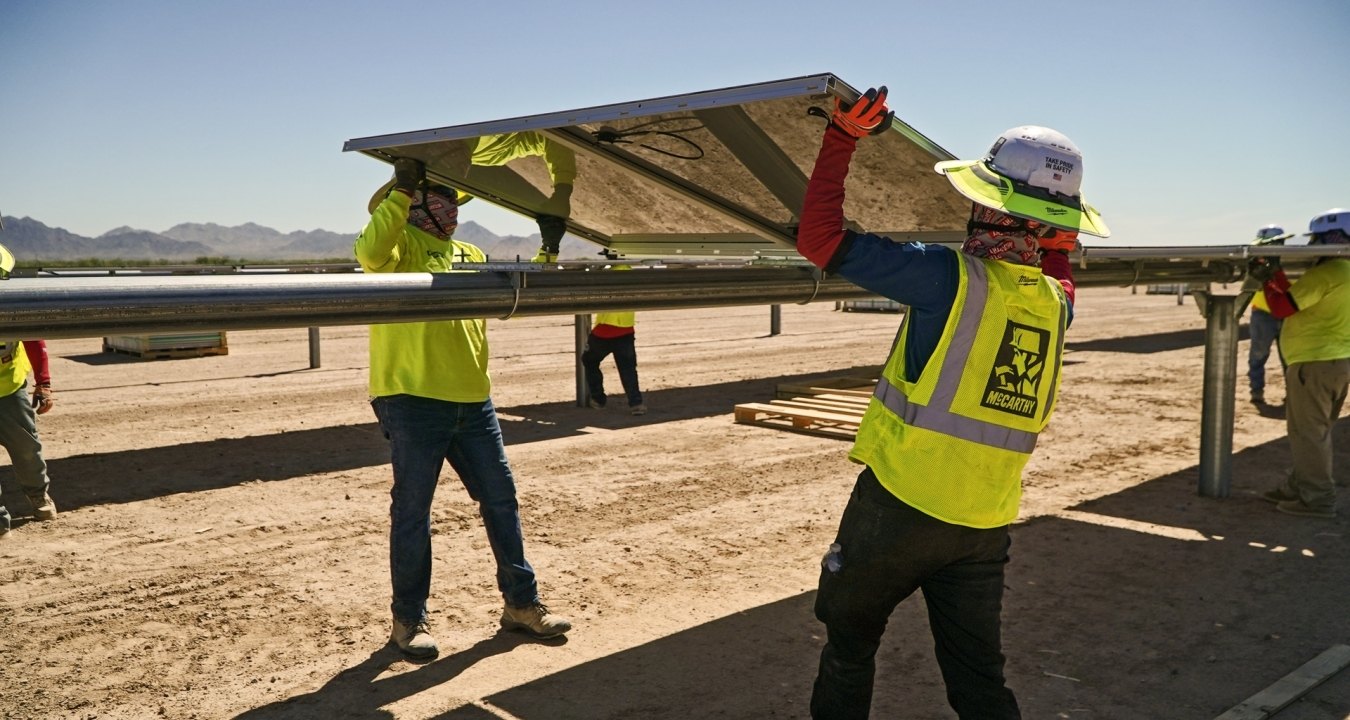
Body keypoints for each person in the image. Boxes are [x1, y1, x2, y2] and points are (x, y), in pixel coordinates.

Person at [796, 87, 1108, 719]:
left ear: (986, 204)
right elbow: (1057, 261)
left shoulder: (944, 278)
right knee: (978, 680)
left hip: (899, 508)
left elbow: (820, 238)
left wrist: (842, 138)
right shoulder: (1057, 305)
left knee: (850, 649)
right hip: (984, 522)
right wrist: (1049, 228)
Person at [355, 158, 572, 659]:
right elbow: (369, 251)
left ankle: (522, 605)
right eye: (438, 199)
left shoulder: (469, 252)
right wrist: (402, 188)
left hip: (474, 402)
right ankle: (408, 621)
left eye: (452, 201)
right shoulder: (397, 248)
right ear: (413, 207)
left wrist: (550, 246)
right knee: (413, 513)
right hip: (411, 398)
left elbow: (521, 291)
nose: (449, 208)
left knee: (501, 500)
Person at [1252, 208, 1350, 519]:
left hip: (1314, 364)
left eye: (1318, 240)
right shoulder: (1344, 273)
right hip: (1336, 363)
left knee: (1308, 433)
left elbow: (1281, 306)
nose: (1312, 247)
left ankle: (1318, 499)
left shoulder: (1327, 274)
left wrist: (1270, 274)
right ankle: (1299, 487)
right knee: (1314, 431)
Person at [0, 237, 59, 537]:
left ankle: (38, 498)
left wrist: (44, 384)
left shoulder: (10, 297)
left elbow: (34, 340)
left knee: (27, 451)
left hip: (10, 391)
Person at [582, 267, 646, 416]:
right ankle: (636, 404)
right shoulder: (633, 275)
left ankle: (598, 399)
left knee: (589, 360)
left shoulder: (605, 273)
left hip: (604, 331)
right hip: (626, 329)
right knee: (628, 369)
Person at [1247, 225, 1289, 404]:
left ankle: (1293, 392)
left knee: (1289, 357)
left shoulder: (1293, 261)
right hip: (1263, 313)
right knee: (1258, 355)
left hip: (1287, 313)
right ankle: (1257, 391)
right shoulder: (1253, 261)